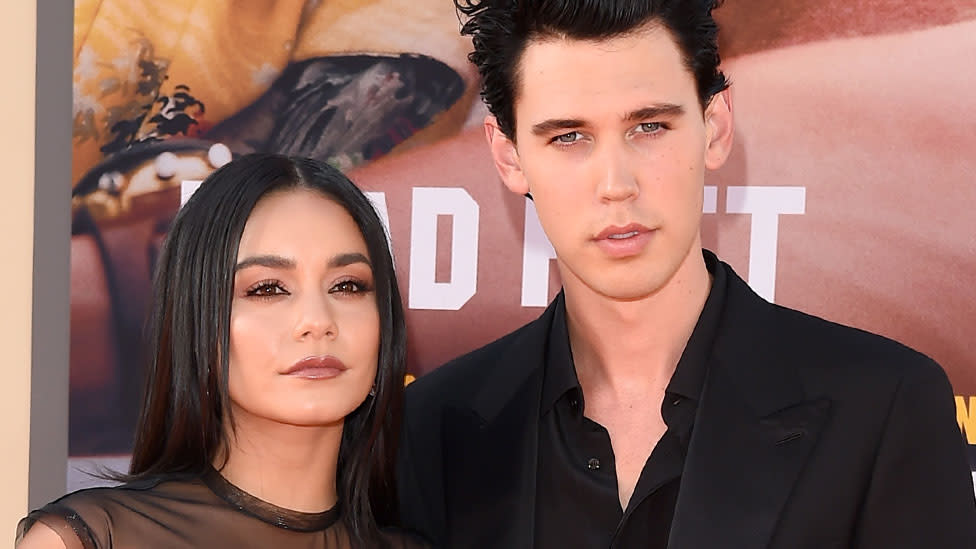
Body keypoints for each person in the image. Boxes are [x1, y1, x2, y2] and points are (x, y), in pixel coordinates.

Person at [396, 1, 976, 548]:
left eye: (649, 127)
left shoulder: (884, 411)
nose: (616, 183)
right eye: (568, 136)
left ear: (715, 127)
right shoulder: (435, 429)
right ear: (509, 155)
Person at [18, 154, 426, 548]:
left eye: (347, 286)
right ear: (198, 323)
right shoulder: (88, 540)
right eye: (267, 288)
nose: (318, 321)